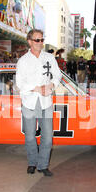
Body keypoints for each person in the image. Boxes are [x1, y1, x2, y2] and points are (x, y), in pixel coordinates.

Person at [16, 29, 62, 177]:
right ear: (29, 42)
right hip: (29, 102)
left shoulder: (49, 58)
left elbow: (57, 75)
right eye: (37, 40)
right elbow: (19, 83)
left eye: (42, 40)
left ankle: (43, 165)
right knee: (30, 136)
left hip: (46, 102)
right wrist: (36, 88)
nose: (41, 43)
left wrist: (52, 86)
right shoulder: (23, 61)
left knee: (47, 136)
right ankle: (32, 163)